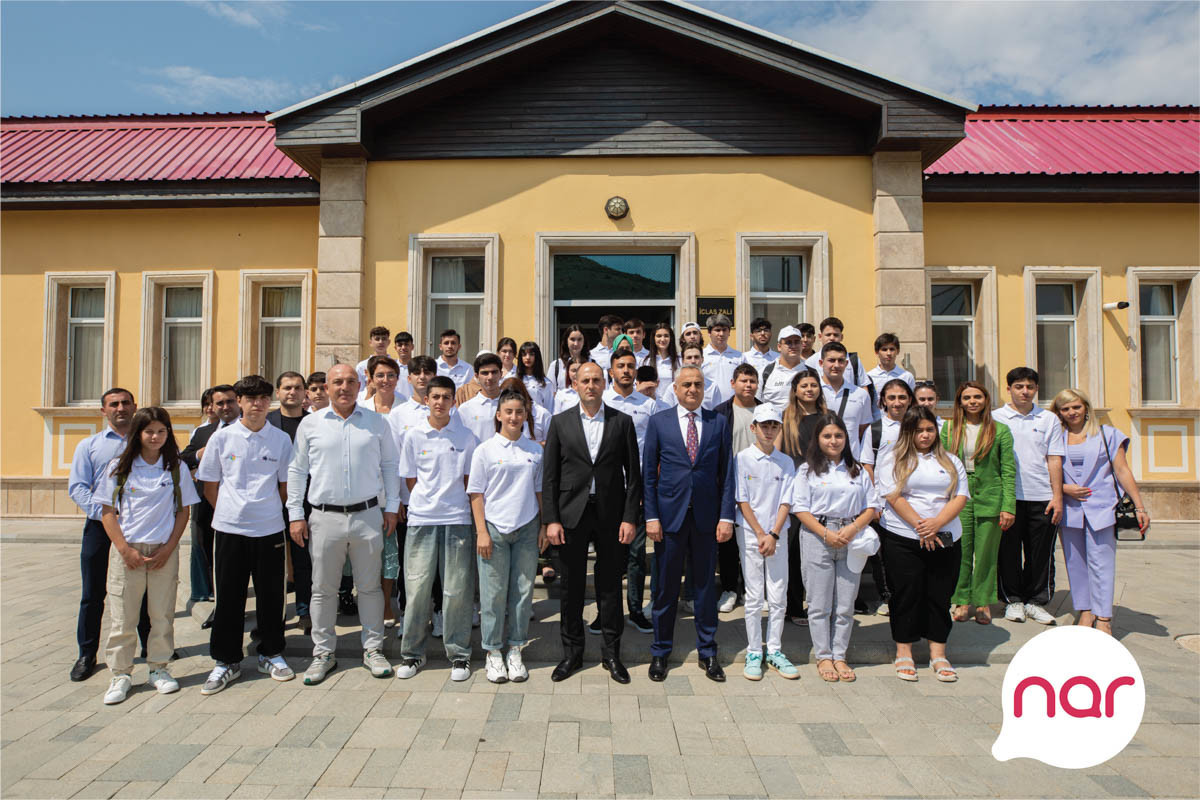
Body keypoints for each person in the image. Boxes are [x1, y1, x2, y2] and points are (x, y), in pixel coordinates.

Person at [287, 364, 401, 685]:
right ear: (326, 386)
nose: (344, 387)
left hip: (367, 516)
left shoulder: (377, 423)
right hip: (324, 517)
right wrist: (295, 513)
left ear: (361, 384)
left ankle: (373, 649)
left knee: (369, 587)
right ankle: (323, 653)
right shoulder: (311, 425)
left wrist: (391, 507)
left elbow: (390, 466)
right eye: (337, 382)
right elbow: (296, 471)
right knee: (322, 590)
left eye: (351, 381)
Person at [542, 363, 642, 684]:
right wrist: (551, 520)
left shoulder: (622, 422)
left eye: (596, 380)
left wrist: (630, 517)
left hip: (611, 516)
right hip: (571, 514)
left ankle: (611, 653)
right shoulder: (560, 423)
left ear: (605, 383)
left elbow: (634, 477)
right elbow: (550, 477)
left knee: (610, 586)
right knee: (570, 586)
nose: (590, 385)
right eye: (584, 380)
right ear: (575, 384)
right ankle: (572, 653)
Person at [197, 375, 295, 694]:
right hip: (229, 529)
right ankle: (226, 661)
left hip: (268, 529)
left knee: (271, 596)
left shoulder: (280, 440)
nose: (257, 403)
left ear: (271, 402)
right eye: (250, 398)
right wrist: (232, 509)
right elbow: (209, 485)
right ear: (238, 401)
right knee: (229, 597)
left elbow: (284, 487)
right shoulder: (221, 439)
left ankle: (271, 653)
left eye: (263, 398)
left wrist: (261, 509)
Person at [95, 407, 200, 704]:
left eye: (161, 431)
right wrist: (124, 549)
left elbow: (183, 511)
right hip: (128, 551)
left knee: (162, 614)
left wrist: (168, 547)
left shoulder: (175, 467)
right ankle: (121, 674)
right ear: (138, 434)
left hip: (163, 551)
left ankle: (159, 668)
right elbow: (107, 512)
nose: (155, 437)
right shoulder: (120, 466)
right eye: (149, 431)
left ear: (168, 434)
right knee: (123, 617)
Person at [643, 365, 736, 683]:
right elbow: (648, 475)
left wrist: (726, 516)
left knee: (705, 589)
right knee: (666, 589)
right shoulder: (659, 422)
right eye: (686, 385)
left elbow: (727, 475)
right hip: (669, 519)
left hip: (707, 521)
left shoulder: (718, 423)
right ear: (676, 389)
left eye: (698, 384)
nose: (693, 389)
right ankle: (660, 651)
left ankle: (708, 652)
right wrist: (651, 517)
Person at [874, 406, 970, 683]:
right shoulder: (893, 459)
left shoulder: (951, 461)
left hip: (945, 536)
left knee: (939, 594)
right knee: (906, 594)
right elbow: (894, 496)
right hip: (903, 537)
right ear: (908, 432)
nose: (925, 435)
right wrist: (921, 525)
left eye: (929, 429)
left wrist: (936, 524)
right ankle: (904, 650)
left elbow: (960, 497)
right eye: (918, 430)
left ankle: (938, 652)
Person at [397, 376, 478, 681]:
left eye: (446, 397)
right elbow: (410, 480)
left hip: (457, 519)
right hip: (422, 520)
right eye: (435, 397)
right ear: (426, 400)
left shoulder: (467, 438)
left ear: (453, 401)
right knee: (417, 589)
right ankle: (413, 655)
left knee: (456, 591)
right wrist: (429, 501)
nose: (440, 402)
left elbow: (471, 482)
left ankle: (458, 655)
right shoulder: (415, 435)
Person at [67, 387, 151, 682]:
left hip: (137, 527)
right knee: (93, 592)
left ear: (135, 407)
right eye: (113, 404)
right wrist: (105, 514)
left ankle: (151, 647)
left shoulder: (148, 443)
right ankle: (87, 653)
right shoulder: (89, 446)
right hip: (99, 529)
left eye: (126, 403)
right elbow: (77, 486)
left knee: (140, 589)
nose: (120, 408)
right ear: (103, 411)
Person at [1051, 388, 1149, 635]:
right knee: (1075, 562)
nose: (1072, 412)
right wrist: (1063, 488)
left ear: (1086, 407)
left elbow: (1122, 470)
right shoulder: (1055, 437)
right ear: (1059, 413)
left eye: (1076, 407)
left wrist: (1139, 506)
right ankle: (1085, 610)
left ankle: (1104, 616)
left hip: (1102, 507)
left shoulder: (1108, 434)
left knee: (1101, 562)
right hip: (1070, 509)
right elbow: (1046, 472)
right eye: (1065, 408)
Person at [793, 413, 882, 683]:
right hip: (817, 536)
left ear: (846, 438)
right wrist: (825, 533)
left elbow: (873, 507)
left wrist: (852, 528)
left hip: (850, 536)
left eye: (838, 435)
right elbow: (800, 508)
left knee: (845, 603)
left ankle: (840, 654)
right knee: (819, 603)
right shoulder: (807, 470)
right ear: (817, 439)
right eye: (827, 436)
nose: (833, 441)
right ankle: (823, 656)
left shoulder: (856, 470)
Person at [468, 389, 546, 683]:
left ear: (526, 416)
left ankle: (515, 648)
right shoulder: (485, 450)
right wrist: (481, 532)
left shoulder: (535, 450)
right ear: (498, 415)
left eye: (520, 412)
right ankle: (493, 651)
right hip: (494, 530)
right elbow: (476, 494)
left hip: (526, 527)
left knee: (523, 592)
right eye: (509, 412)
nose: (514, 417)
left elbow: (540, 492)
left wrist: (542, 525)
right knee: (493, 594)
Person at [993, 368, 1065, 624]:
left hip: (1041, 495)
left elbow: (1054, 458)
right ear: (1009, 388)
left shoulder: (1048, 419)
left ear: (1036, 389)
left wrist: (1057, 497)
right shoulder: (995, 418)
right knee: (1008, 551)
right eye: (1019, 386)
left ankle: (1036, 601)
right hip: (1008, 498)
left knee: (1041, 552)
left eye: (1030, 387)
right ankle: (1012, 600)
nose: (1025, 391)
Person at [733, 405, 799, 680]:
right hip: (750, 533)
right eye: (764, 425)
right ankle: (753, 651)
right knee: (754, 594)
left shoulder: (786, 462)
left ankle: (774, 649)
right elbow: (742, 499)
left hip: (777, 534)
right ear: (753, 428)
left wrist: (773, 533)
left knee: (778, 593)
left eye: (774, 425)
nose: (769, 430)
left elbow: (786, 500)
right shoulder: (741, 459)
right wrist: (761, 532)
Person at [942, 381, 1016, 626]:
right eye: (967, 398)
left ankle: (983, 601)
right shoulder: (950, 428)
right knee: (960, 551)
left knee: (986, 552)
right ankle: (962, 600)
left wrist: (1008, 506)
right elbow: (941, 465)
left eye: (977, 397)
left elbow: (1008, 471)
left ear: (985, 400)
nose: (972, 401)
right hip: (958, 495)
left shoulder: (1000, 430)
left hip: (990, 496)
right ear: (959, 402)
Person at [599, 348, 661, 635]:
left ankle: (635, 609)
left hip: (637, 488)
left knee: (636, 554)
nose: (626, 370)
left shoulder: (648, 405)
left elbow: (656, 447)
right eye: (620, 366)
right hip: (607, 488)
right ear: (611, 371)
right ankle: (605, 612)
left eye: (631, 366)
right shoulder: (601, 403)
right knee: (607, 553)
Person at [387, 355, 441, 631]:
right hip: (408, 505)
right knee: (410, 563)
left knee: (440, 567)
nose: (422, 377)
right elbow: (394, 462)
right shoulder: (399, 415)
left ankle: (439, 612)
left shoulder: (447, 411)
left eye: (427, 372)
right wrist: (395, 501)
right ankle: (409, 614)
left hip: (440, 504)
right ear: (408, 379)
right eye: (417, 373)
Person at [180, 384, 239, 627]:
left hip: (238, 505)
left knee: (235, 560)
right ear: (212, 407)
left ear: (238, 402)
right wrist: (197, 456)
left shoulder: (251, 429)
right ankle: (218, 606)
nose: (225, 407)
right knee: (210, 551)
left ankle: (236, 607)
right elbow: (183, 458)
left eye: (230, 402)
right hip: (207, 501)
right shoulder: (204, 432)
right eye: (220, 403)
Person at [857, 378, 915, 616]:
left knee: (909, 555)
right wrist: (873, 503)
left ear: (910, 399)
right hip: (884, 504)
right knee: (883, 555)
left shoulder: (919, 426)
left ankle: (910, 597)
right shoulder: (876, 429)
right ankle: (887, 596)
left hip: (914, 503)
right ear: (883, 401)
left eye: (902, 397)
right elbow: (867, 466)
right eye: (891, 397)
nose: (897, 402)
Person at [777, 368, 826, 626]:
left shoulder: (829, 418)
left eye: (813, 385)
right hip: (795, 491)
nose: (809, 389)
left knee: (819, 552)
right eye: (804, 385)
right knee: (793, 550)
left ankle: (820, 606)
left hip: (823, 490)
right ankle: (793, 607)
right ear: (795, 390)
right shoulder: (786, 419)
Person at [713, 363, 761, 613]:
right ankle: (730, 588)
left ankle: (755, 590)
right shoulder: (720, 412)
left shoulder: (766, 411)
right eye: (743, 380)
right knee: (728, 541)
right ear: (733, 383)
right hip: (730, 483)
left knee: (756, 538)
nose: (748, 385)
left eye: (752, 381)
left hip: (760, 486)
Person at [267, 371, 312, 634]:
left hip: (305, 503)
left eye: (297, 388)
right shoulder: (267, 422)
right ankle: (276, 613)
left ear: (305, 392)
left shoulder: (314, 422)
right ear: (278, 391)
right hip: (270, 503)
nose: (292, 392)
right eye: (287, 388)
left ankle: (304, 611)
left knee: (303, 560)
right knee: (273, 563)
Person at [817, 342, 873, 457]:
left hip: (850, 462)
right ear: (821, 363)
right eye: (831, 360)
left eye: (841, 361)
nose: (836, 365)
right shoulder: (813, 393)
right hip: (818, 462)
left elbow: (863, 430)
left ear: (846, 364)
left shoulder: (861, 394)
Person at [804, 317, 872, 395]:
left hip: (849, 404)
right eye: (828, 335)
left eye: (835, 335)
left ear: (841, 337)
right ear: (820, 336)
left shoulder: (853, 360)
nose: (832, 338)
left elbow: (863, 386)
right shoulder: (811, 362)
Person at [867, 333, 915, 421]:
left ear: (898, 351)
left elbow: (912, 405)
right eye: (884, 349)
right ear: (877, 352)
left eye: (892, 349)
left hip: (901, 424)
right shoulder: (869, 377)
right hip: (877, 425)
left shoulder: (907, 376)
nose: (888, 353)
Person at [458, 353, 504, 443]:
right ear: (476, 376)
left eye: (494, 372)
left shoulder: (512, 406)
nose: (490, 377)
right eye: (485, 373)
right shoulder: (465, 409)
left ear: (501, 374)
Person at [759, 326, 806, 413]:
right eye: (788, 342)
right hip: (774, 425)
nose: (793, 346)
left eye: (796, 342)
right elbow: (757, 403)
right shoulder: (765, 372)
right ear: (779, 347)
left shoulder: (810, 372)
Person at [701, 313, 745, 406]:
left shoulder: (739, 357)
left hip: (732, 408)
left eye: (724, 330)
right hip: (708, 408)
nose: (721, 334)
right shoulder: (701, 356)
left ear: (729, 332)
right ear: (709, 333)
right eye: (717, 330)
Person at [666, 343, 718, 410]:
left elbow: (716, 412)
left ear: (702, 359)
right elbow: (667, 414)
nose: (693, 361)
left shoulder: (713, 387)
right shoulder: (672, 388)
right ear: (683, 361)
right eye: (689, 357)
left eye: (696, 357)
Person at [548, 324, 586, 394]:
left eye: (579, 339)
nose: (576, 343)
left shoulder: (592, 362)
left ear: (584, 341)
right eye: (572, 339)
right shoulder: (555, 366)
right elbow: (550, 393)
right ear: (566, 341)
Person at [518, 341, 554, 412]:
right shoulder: (515, 379)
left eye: (531, 354)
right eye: (524, 354)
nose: (528, 357)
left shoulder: (546, 383)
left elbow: (549, 409)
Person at [650, 322, 679, 402]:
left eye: (666, 336)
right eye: (659, 336)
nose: (662, 339)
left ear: (671, 338)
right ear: (654, 338)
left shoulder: (679, 361)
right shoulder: (646, 361)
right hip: (653, 406)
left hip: (674, 406)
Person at [744, 317, 778, 384]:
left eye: (766, 330)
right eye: (758, 331)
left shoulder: (778, 358)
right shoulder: (744, 358)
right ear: (751, 336)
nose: (762, 333)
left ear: (771, 334)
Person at [392, 331, 415, 401]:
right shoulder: (391, 367)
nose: (403, 347)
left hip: (413, 406)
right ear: (395, 348)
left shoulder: (418, 367)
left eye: (406, 344)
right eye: (400, 345)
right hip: (395, 405)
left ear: (412, 347)